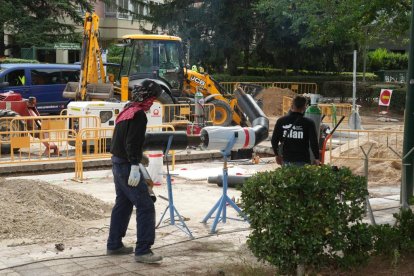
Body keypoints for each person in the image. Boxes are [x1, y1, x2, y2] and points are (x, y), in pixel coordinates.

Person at [106, 79, 163, 264]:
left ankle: (114, 244)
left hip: (117, 162)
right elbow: (131, 142)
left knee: (123, 204)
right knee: (146, 205)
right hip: (125, 165)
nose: (153, 102)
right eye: (153, 98)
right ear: (146, 96)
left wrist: (139, 156)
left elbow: (121, 140)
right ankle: (143, 251)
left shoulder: (127, 109)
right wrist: (134, 165)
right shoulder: (139, 115)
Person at [271, 95, 320, 166]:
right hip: (303, 160)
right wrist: (317, 158)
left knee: (287, 177)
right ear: (304, 107)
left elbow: (274, 140)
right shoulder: (309, 123)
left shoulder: (281, 121)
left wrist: (277, 155)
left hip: (287, 160)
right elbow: (314, 142)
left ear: (292, 106)